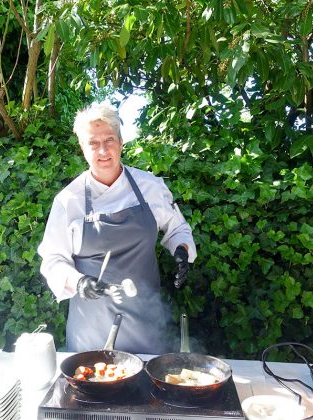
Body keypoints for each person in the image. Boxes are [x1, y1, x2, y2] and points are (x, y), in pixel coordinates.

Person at [37, 102, 196, 354]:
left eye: (109, 139)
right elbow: (52, 260)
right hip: (91, 331)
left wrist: (182, 250)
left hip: (146, 324)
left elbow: (177, 230)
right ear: (82, 147)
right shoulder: (69, 201)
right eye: (93, 143)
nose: (103, 150)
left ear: (121, 141)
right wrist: (78, 282)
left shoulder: (150, 187)